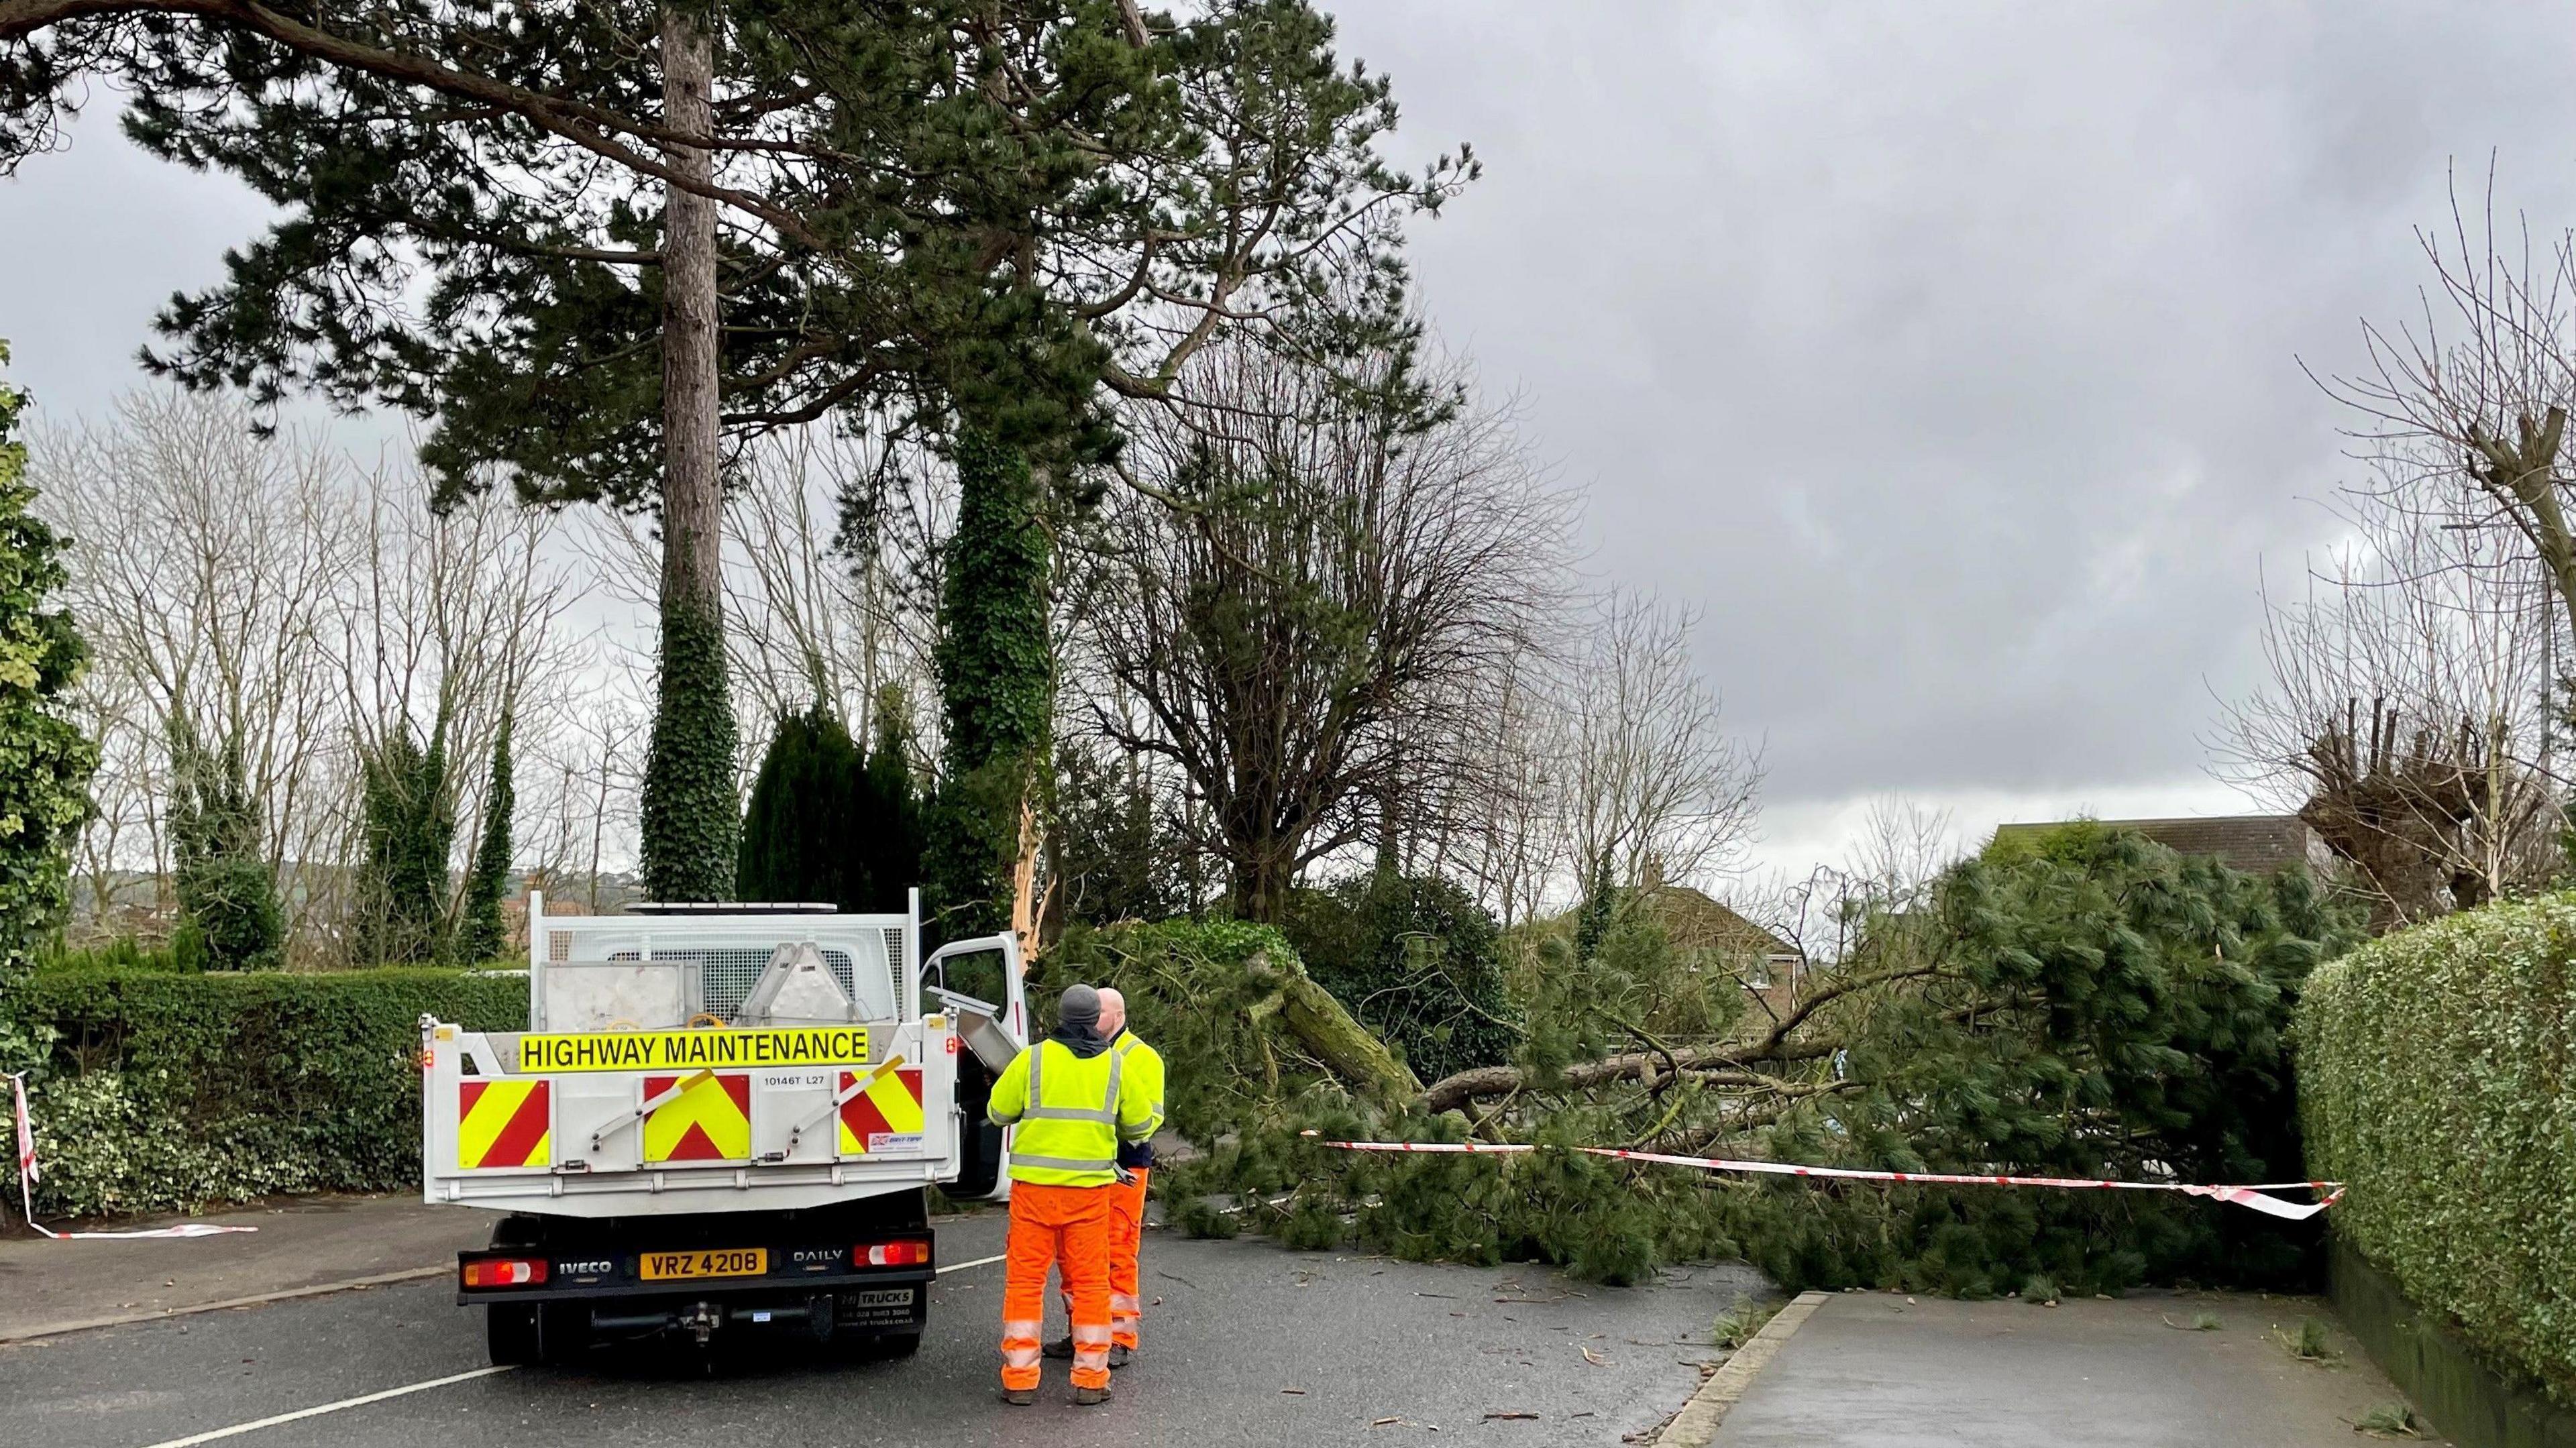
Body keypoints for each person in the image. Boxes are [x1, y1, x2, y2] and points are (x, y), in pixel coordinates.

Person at [985, 982, 1158, 1406]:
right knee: (1092, 1284)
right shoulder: (1116, 1065)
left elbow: (997, 1112)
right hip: (1089, 1196)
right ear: (1096, 1019)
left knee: (1025, 1283)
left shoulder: (1033, 1059)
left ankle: (1019, 1381)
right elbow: (1140, 1127)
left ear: (1060, 1017)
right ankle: (1090, 1381)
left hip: (1034, 1195)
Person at [1045, 986, 1164, 1368]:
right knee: (1073, 1254)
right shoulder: (1081, 1052)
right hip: (1086, 1165)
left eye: (1098, 1014)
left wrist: (1098, 1135)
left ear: (1118, 1016)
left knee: (1117, 1250)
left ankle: (1119, 1337)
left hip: (1124, 1165)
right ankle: (1084, 1331)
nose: (1091, 1021)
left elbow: (1147, 1121)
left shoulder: (1141, 1057)